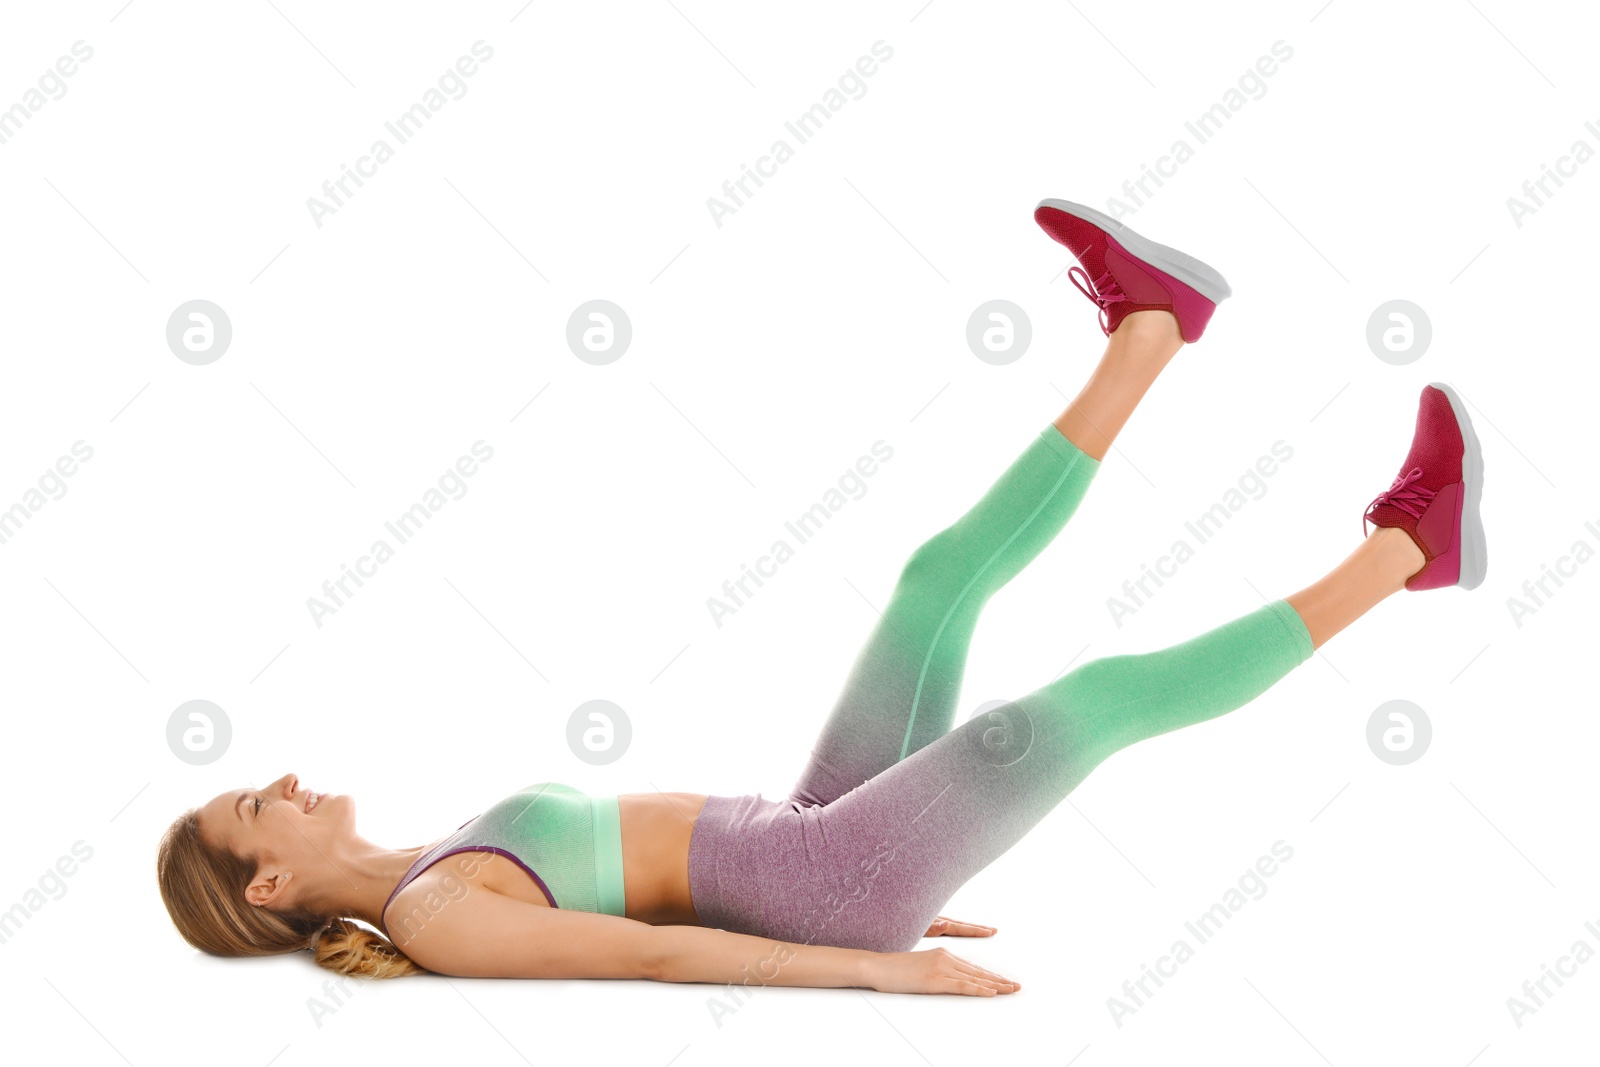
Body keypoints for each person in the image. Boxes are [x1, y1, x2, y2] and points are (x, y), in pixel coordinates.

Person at [157, 199, 1486, 997]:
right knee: (1089, 704)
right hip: (830, 874)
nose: (283, 779)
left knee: (934, 583)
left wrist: (896, 871)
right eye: (255, 805)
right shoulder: (439, 919)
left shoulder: (434, 866)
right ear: (268, 881)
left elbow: (671, 901)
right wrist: (875, 955)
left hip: (818, 836)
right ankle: (1405, 551)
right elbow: (661, 963)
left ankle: (1152, 326)